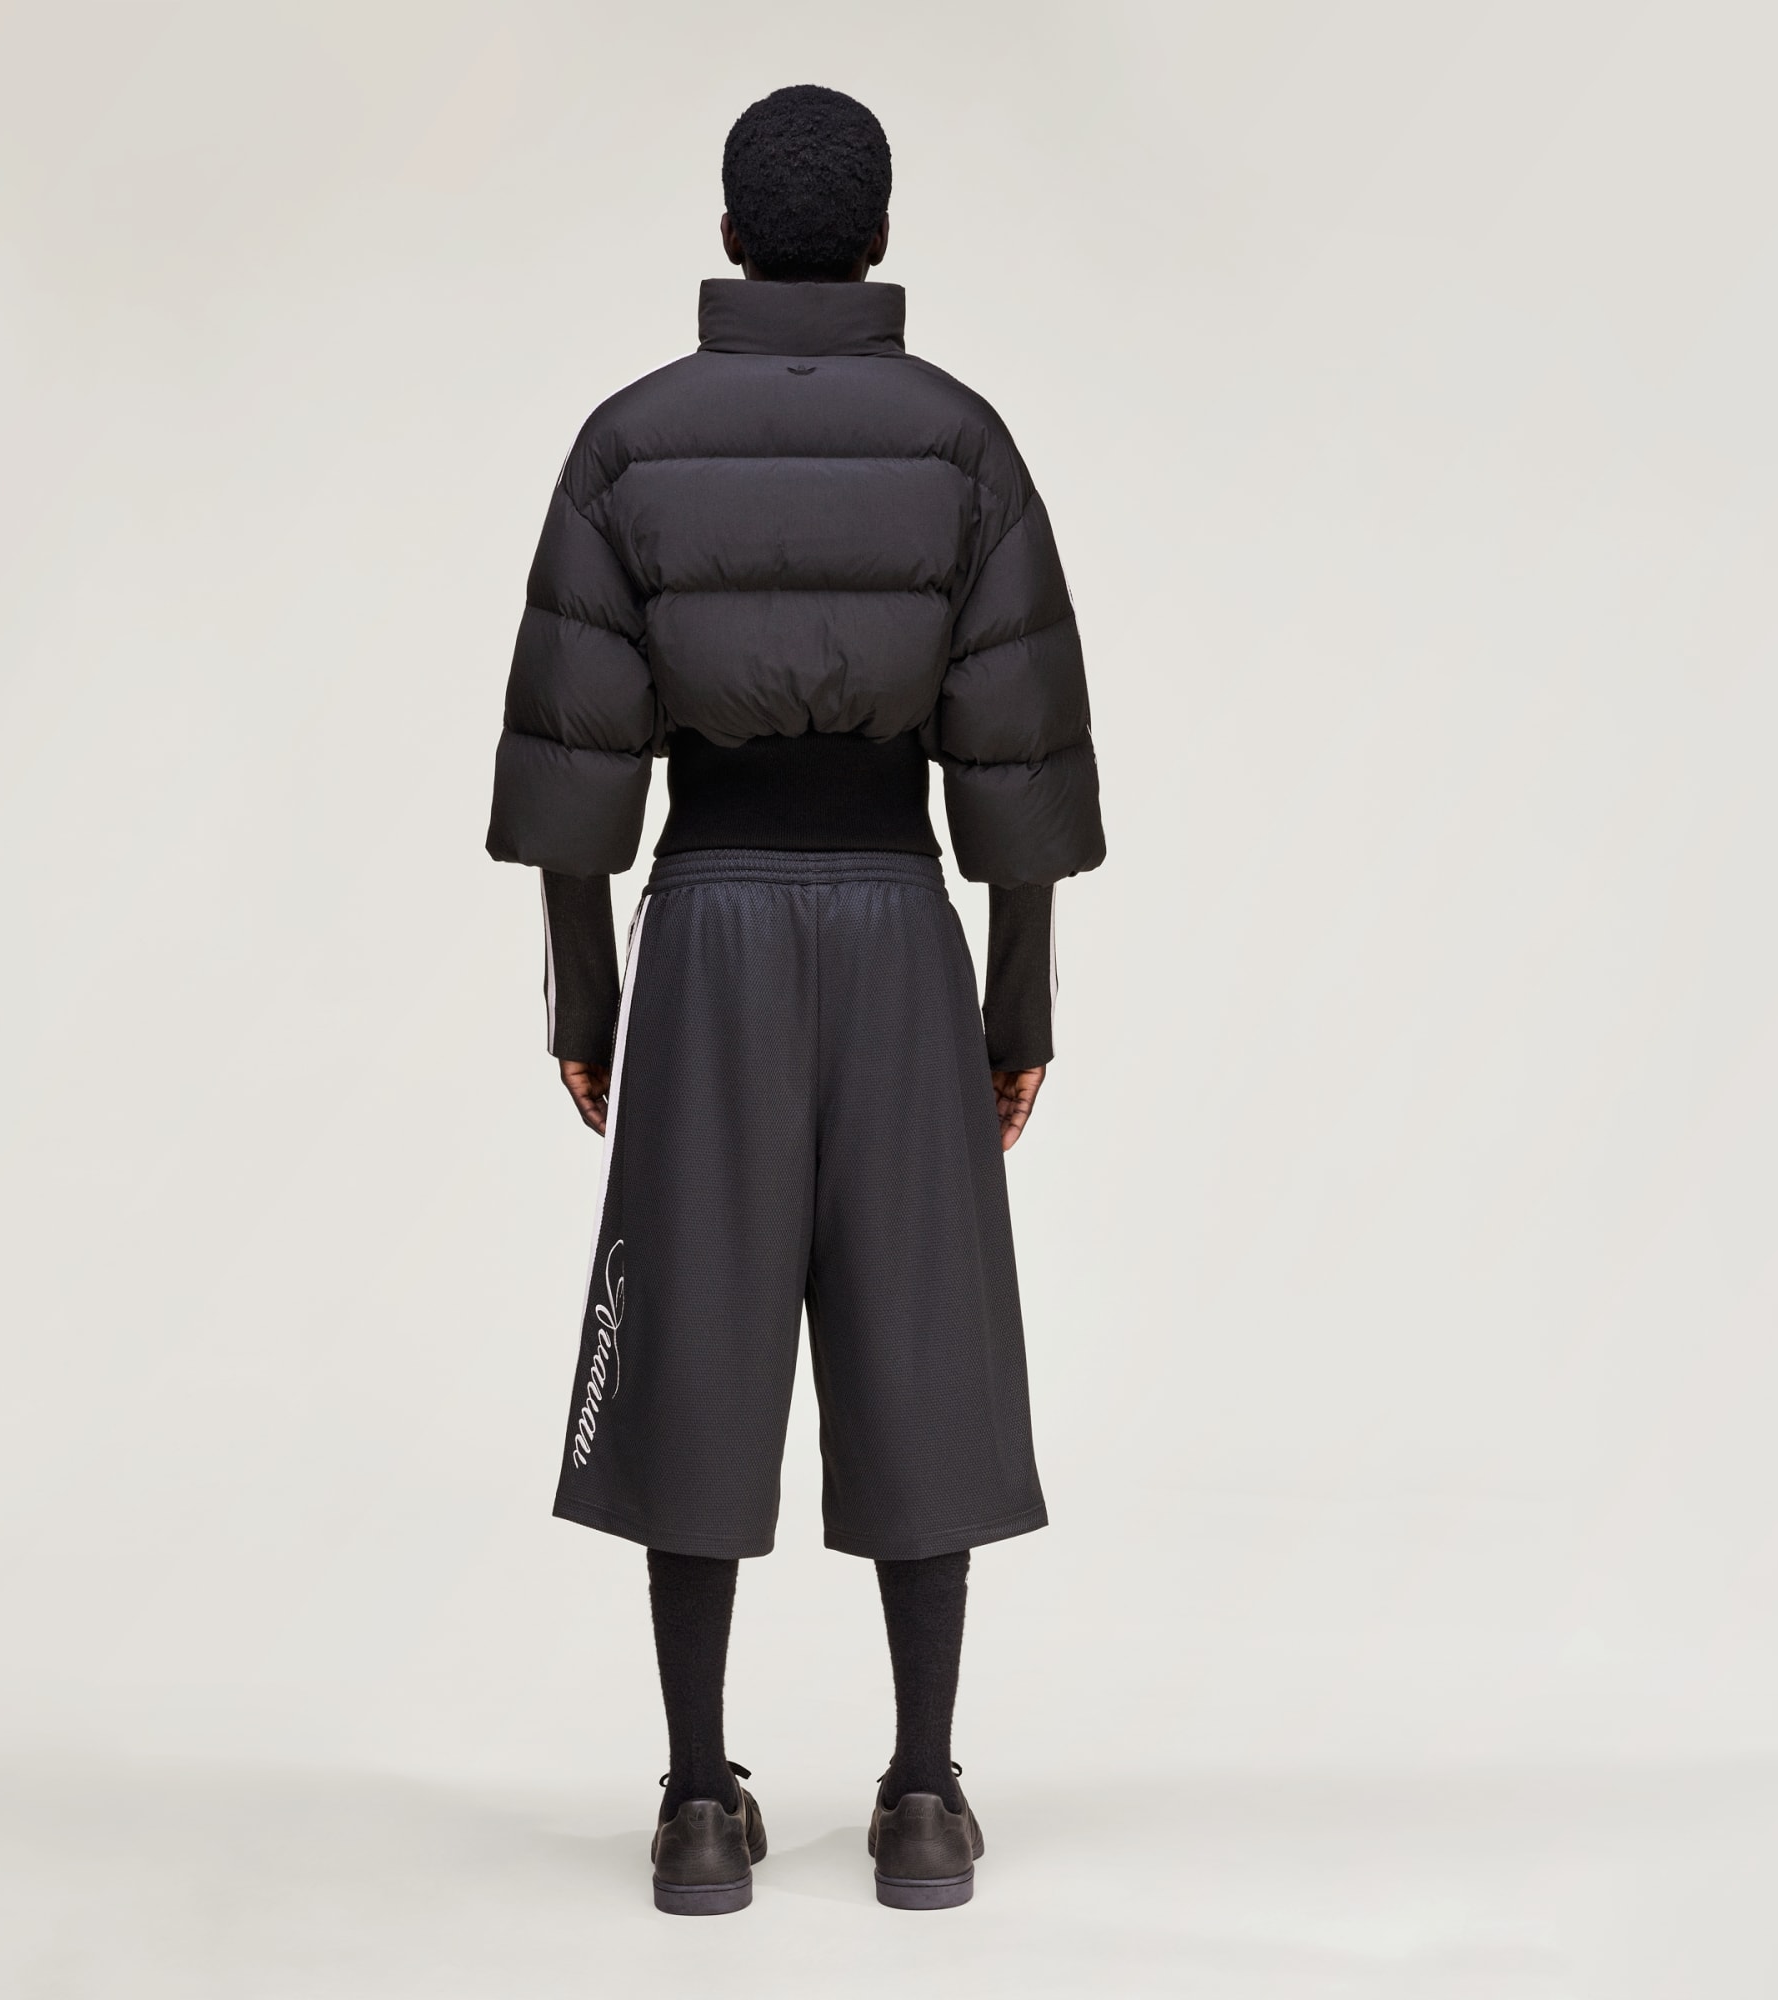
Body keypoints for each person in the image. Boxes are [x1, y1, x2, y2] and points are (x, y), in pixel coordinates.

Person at [486, 83, 1104, 1914]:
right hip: (904, 928)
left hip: (709, 926)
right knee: (923, 1338)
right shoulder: (963, 443)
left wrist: (587, 1001)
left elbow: (577, 758)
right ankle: (922, 1800)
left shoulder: (627, 445)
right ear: (881, 238)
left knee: (691, 1342)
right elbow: (1018, 760)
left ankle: (695, 1806)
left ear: (732, 238)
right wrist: (1017, 1016)